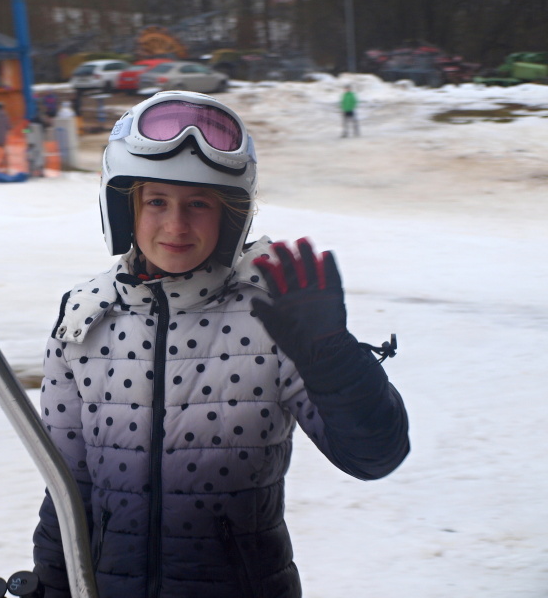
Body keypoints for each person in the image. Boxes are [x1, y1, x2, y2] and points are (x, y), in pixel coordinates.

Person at [32, 91, 409, 598]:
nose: (176, 225)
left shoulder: (273, 319)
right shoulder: (84, 320)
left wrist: (334, 358)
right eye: (157, 201)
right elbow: (66, 490)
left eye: (199, 204)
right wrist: (53, 585)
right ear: (124, 208)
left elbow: (374, 456)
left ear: (231, 215)